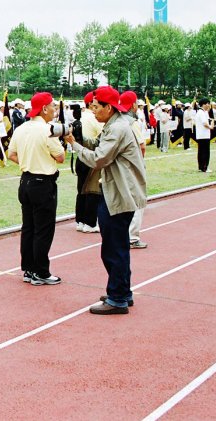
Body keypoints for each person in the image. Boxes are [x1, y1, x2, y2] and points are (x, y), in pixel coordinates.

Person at [65, 86, 146, 314]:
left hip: (118, 193)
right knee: (118, 246)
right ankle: (122, 292)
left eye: (95, 106)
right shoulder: (115, 124)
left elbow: (99, 159)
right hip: (117, 191)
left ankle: (117, 298)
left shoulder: (117, 128)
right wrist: (78, 139)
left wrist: (75, 145)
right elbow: (99, 146)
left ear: (108, 107)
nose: (92, 111)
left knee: (113, 248)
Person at [6, 92, 65, 286]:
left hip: (26, 181)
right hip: (43, 182)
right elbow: (60, 157)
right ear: (45, 109)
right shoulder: (47, 130)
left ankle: (29, 269)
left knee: (28, 227)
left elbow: (11, 154)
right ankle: (41, 271)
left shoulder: (21, 128)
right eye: (53, 106)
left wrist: (28, 161)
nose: (55, 109)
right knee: (43, 229)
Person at [119, 91, 148, 249]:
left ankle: (124, 234)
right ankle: (132, 237)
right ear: (133, 105)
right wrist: (139, 163)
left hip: (120, 166)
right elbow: (142, 146)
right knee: (138, 201)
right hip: (132, 167)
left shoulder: (117, 120)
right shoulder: (132, 123)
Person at [75, 91, 103, 233]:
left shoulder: (80, 117)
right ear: (91, 104)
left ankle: (80, 221)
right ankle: (90, 222)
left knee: (81, 190)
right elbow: (102, 135)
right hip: (91, 156)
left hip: (80, 157)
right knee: (92, 190)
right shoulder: (93, 118)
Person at [195, 98, 213, 173]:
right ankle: (204, 167)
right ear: (203, 104)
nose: (209, 105)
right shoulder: (201, 112)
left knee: (201, 151)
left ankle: (201, 167)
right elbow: (205, 123)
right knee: (205, 152)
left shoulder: (205, 112)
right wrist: (210, 127)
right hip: (203, 135)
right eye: (207, 104)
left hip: (203, 134)